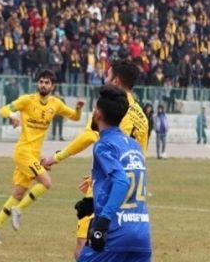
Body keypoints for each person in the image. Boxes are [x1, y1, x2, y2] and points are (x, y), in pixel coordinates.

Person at [41, 60, 149, 259]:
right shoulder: (142, 117)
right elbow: (137, 159)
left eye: (107, 75)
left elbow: (89, 137)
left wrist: (56, 157)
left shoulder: (111, 108)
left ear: (115, 81)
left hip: (110, 195)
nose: (104, 79)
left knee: (84, 248)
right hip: (134, 205)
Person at [0, 70, 84, 244]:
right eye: (41, 82)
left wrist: (78, 108)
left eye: (47, 83)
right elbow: (4, 109)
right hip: (23, 152)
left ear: (52, 86)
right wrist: (12, 115)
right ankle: (19, 210)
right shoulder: (27, 100)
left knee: (18, 192)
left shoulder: (56, 104)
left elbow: (75, 118)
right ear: (38, 84)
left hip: (34, 155)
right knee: (46, 182)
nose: (43, 85)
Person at [78, 85, 151, 261]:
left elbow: (122, 182)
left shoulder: (103, 145)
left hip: (115, 233)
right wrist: (93, 203)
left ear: (98, 114)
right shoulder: (134, 145)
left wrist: (103, 220)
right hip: (141, 233)